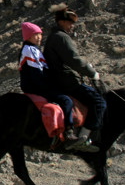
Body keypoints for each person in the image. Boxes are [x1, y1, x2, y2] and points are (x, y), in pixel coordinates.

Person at [18, 22, 96, 152]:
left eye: (39, 34)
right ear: (28, 37)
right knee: (66, 100)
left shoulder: (34, 49)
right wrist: (50, 86)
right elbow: (36, 74)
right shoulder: (29, 50)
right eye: (34, 35)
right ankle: (69, 134)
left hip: (37, 85)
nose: (38, 37)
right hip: (36, 87)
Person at [43, 5, 106, 152]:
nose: (72, 26)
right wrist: (92, 72)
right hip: (68, 82)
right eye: (70, 22)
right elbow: (74, 60)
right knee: (99, 102)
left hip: (59, 80)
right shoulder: (61, 38)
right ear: (62, 22)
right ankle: (83, 138)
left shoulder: (55, 37)